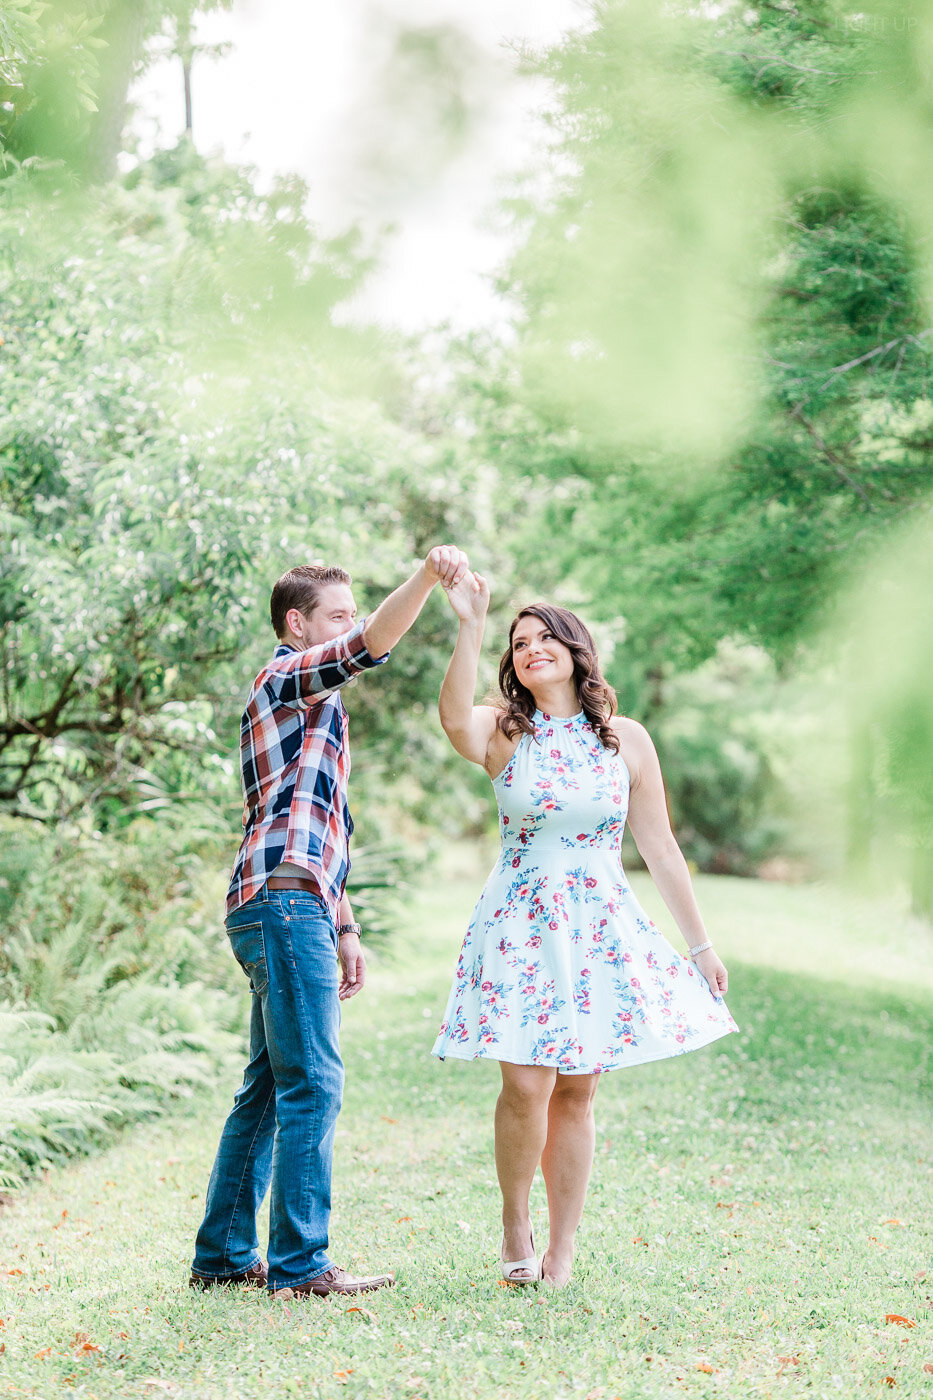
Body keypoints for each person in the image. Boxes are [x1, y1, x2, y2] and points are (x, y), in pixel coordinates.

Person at [431, 574, 738, 1288]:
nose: (532, 649)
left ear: (574, 650)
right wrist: (470, 622)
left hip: (597, 923)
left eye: (544, 637)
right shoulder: (503, 730)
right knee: (525, 1085)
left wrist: (700, 944)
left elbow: (659, 847)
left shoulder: (624, 740)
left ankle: (561, 1250)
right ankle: (515, 1221)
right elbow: (451, 719)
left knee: (577, 1089)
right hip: (521, 923)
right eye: (519, 644)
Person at [190, 545, 470, 1299]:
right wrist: (427, 577)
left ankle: (222, 1255)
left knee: (269, 1086)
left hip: (287, 898)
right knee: (312, 1080)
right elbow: (374, 643)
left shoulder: (316, 706)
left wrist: (344, 926)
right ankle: (300, 1266)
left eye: (351, 612)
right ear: (297, 623)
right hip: (280, 904)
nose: (351, 625)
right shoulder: (286, 675)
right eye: (337, 615)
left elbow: (317, 825)